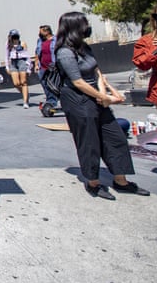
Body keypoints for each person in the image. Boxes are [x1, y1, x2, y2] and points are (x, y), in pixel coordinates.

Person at [54, 12, 149, 200]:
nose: (88, 26)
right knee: (89, 142)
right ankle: (93, 182)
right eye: (85, 24)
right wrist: (101, 96)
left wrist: (106, 93)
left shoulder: (84, 47)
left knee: (115, 137)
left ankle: (121, 180)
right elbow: (77, 81)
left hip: (97, 97)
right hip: (77, 100)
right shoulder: (64, 52)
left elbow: (97, 72)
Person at [4, 29, 33, 109]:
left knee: (23, 82)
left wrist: (29, 67)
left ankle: (25, 101)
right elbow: (6, 56)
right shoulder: (8, 44)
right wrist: (7, 66)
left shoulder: (22, 43)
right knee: (16, 83)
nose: (15, 38)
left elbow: (27, 56)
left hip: (22, 61)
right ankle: (25, 93)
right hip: (13, 62)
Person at [34, 25, 58, 112]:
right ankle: (51, 101)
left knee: (54, 84)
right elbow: (37, 53)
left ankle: (55, 101)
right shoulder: (40, 41)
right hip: (43, 67)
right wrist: (36, 64)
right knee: (45, 84)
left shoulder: (56, 40)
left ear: (46, 32)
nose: (39, 34)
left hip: (54, 67)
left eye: (40, 31)